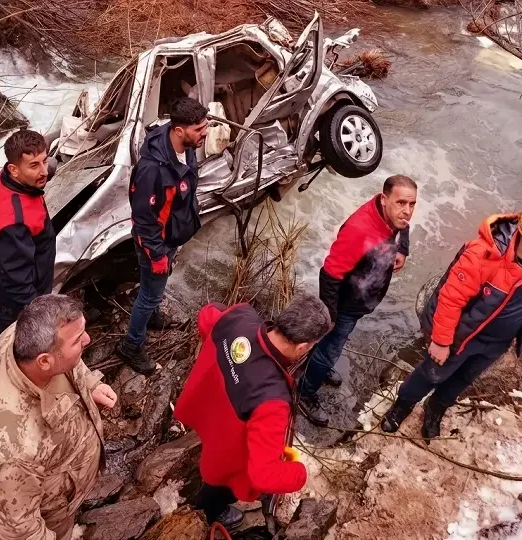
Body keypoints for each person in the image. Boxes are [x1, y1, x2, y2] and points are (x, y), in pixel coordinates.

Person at [174, 293, 332, 529]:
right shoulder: (272, 401)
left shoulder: (240, 316)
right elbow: (262, 474)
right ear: (302, 346)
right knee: (221, 489)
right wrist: (299, 474)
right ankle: (207, 513)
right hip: (225, 451)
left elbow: (207, 315)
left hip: (203, 411)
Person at [0, 294, 118, 540]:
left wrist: (90, 385)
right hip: (52, 514)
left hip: (65, 482)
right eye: (77, 340)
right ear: (44, 362)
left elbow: (70, 363)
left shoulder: (19, 336)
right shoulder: (8, 450)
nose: (88, 339)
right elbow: (22, 533)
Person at [382, 209, 522, 440]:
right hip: (463, 335)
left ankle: (436, 408)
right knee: (431, 373)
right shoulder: (485, 253)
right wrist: (440, 341)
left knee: (463, 379)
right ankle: (402, 407)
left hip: (497, 343)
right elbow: (451, 298)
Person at [298, 175, 417, 426]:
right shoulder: (360, 230)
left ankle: (314, 363)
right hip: (345, 303)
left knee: (327, 346)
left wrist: (403, 249)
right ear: (384, 200)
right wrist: (329, 317)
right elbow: (330, 273)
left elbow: (403, 226)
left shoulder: (394, 215)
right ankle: (304, 393)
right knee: (331, 349)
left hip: (363, 297)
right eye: (401, 203)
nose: (407, 211)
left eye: (412, 204)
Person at [117, 97, 210, 374]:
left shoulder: (185, 146)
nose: (205, 133)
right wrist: (157, 254)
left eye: (206, 126)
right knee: (148, 293)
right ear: (179, 130)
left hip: (172, 235)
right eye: (199, 129)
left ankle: (154, 316)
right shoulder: (151, 171)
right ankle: (131, 346)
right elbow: (144, 220)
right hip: (155, 243)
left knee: (157, 288)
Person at [0, 129, 55, 360]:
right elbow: (18, 282)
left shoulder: (12, 179)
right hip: (13, 301)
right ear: (14, 170)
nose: (44, 170)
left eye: (45, 161)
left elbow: (41, 171)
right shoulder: (12, 223)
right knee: (9, 341)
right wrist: (36, 312)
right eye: (34, 165)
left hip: (24, 280)